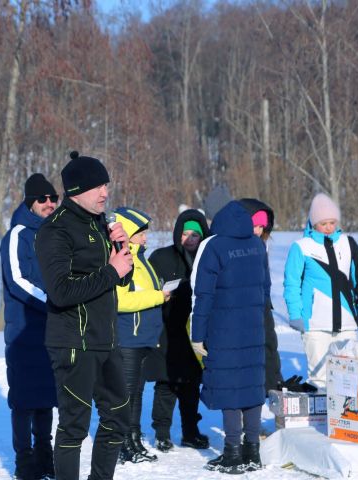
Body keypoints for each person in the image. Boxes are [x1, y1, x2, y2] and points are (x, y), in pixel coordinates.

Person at [35, 151, 133, 480]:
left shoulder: (100, 224)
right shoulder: (55, 230)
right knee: (75, 425)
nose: (105, 192)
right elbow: (60, 291)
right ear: (77, 191)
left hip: (106, 338)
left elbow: (120, 276)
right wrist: (110, 271)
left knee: (118, 418)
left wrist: (122, 253)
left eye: (106, 185)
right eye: (97, 187)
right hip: (73, 342)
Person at [190, 200, 267, 474]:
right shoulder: (257, 245)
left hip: (223, 330)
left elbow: (204, 296)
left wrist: (197, 335)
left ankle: (232, 453)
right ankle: (253, 451)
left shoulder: (214, 247)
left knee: (230, 389)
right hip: (254, 327)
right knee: (251, 386)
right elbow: (265, 289)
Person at [0, 173, 60, 480]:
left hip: (53, 331)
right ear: (30, 202)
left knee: (46, 398)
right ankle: (25, 462)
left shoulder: (56, 234)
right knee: (24, 399)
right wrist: (53, 301)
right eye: (42, 199)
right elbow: (17, 280)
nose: (49, 203)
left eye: (53, 198)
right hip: (24, 330)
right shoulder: (17, 234)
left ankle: (45, 457)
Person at [283, 193, 358, 391]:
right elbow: (291, 283)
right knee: (320, 377)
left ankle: (346, 418)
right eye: (324, 223)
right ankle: (321, 418)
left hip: (347, 321)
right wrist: (295, 314)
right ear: (314, 223)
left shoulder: (348, 243)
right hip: (315, 324)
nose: (329, 227)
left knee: (348, 374)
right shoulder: (301, 247)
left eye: (332, 222)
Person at [144, 208, 210, 453]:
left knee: (191, 384)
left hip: (195, 330)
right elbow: (147, 288)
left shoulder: (208, 258)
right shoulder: (161, 257)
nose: (190, 239)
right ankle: (161, 433)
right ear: (177, 234)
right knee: (166, 384)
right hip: (167, 330)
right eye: (185, 233)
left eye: (195, 234)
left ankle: (190, 432)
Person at [112, 207, 168, 464]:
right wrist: (159, 296)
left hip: (144, 338)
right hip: (128, 339)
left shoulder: (142, 259)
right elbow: (121, 300)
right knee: (126, 395)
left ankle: (133, 439)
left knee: (136, 394)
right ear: (129, 233)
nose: (145, 238)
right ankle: (122, 445)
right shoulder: (121, 258)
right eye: (141, 233)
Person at [239, 198, 284, 394]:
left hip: (262, 306)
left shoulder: (261, 246)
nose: (257, 230)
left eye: (261, 226)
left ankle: (272, 392)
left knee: (269, 350)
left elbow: (265, 279)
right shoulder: (234, 246)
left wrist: (266, 301)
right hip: (241, 309)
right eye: (254, 225)